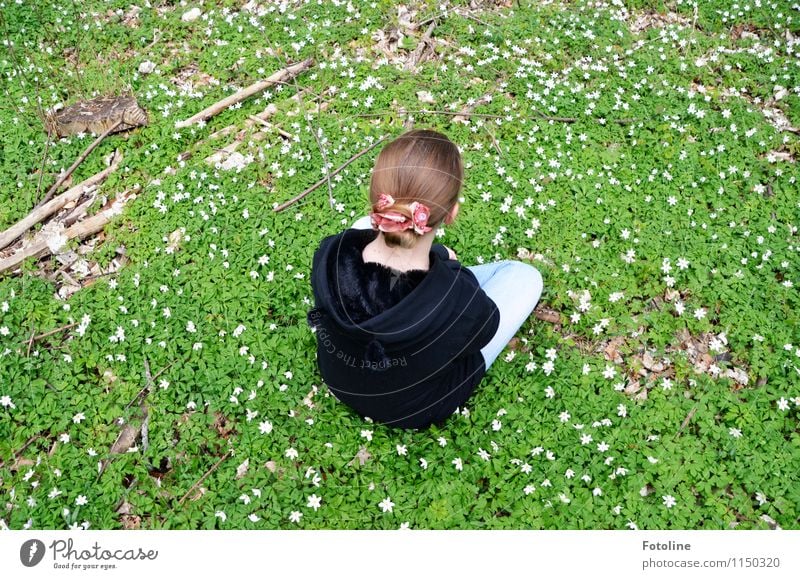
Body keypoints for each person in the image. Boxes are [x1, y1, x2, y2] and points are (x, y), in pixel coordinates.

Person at [308, 129, 543, 429]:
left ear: (378, 203)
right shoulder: (458, 300)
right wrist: (451, 269)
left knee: (358, 229)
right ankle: (430, 259)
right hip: (413, 408)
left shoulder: (329, 252)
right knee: (525, 277)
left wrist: (444, 263)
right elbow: (482, 329)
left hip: (340, 379)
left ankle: (413, 253)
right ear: (451, 214)